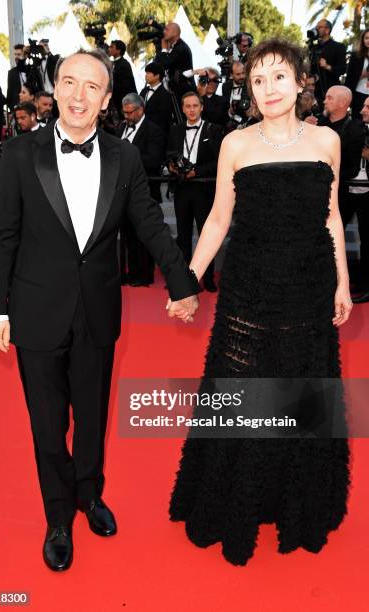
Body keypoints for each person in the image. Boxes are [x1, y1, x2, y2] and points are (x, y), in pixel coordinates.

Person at [0, 48, 200, 572]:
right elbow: (5, 235)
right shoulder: (18, 154)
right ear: (54, 89)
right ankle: (58, 517)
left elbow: (148, 222)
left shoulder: (124, 158)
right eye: (69, 83)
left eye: (92, 88)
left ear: (106, 99)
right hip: (35, 312)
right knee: (47, 424)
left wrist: (182, 279)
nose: (79, 96)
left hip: (98, 312)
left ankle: (89, 495)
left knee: (94, 417)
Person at [169, 38, 352, 566]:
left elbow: (331, 216)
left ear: (299, 82)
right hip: (248, 287)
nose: (268, 89)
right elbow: (220, 220)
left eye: (278, 77)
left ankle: (297, 502)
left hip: (308, 288)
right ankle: (236, 501)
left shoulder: (326, 142)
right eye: (257, 80)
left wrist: (341, 283)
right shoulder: (236, 145)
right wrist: (189, 279)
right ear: (249, 90)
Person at [167, 91, 223, 292]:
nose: (191, 110)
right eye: (187, 106)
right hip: (182, 188)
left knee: (205, 235)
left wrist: (196, 172)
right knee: (182, 236)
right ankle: (184, 279)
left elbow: (219, 161)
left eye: (195, 106)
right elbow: (169, 154)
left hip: (203, 188)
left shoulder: (213, 129)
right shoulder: (175, 130)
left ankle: (207, 278)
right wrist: (172, 166)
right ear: (182, 109)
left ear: (201, 107)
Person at [117, 93, 165, 286]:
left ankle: (145, 274)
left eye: (130, 112)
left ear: (141, 109)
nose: (127, 116)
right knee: (128, 236)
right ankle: (133, 271)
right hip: (122, 192)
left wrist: (128, 156)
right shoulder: (120, 127)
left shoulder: (154, 130)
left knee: (143, 235)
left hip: (144, 192)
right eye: (125, 112)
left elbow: (153, 160)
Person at [342, 96, 369, 303]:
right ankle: (340, 279)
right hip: (348, 188)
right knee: (335, 233)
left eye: (368, 106)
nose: (363, 109)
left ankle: (366, 285)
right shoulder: (353, 127)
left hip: (368, 192)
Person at [154, 22, 195, 101]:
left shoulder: (181, 48)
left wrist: (164, 49)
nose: (164, 32)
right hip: (176, 90)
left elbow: (164, 64)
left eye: (167, 30)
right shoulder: (174, 46)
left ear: (175, 33)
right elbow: (157, 64)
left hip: (183, 92)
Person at [310, 19, 346, 107]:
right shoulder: (313, 48)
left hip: (331, 91)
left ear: (327, 30)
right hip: (314, 93)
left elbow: (342, 69)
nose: (316, 29)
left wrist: (327, 66)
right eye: (316, 27)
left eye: (319, 27)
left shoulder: (338, 47)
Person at [140, 62, 172, 133]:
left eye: (148, 73)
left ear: (157, 76)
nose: (146, 75)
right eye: (146, 73)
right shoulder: (144, 91)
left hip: (155, 133)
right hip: (141, 131)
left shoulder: (165, 95)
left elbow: (162, 118)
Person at [108, 40, 137, 116]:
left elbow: (125, 86)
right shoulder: (112, 63)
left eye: (112, 47)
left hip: (124, 104)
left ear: (118, 50)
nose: (109, 49)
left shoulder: (124, 65)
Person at [345, 29, 369, 119]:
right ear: (363, 40)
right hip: (358, 94)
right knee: (357, 121)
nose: (368, 40)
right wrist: (362, 75)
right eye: (366, 38)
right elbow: (349, 78)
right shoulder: (356, 56)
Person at [6, 44, 28, 111]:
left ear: (25, 56)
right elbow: (10, 92)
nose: (16, 57)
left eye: (19, 54)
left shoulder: (32, 70)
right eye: (15, 54)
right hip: (17, 107)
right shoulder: (11, 72)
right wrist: (11, 108)